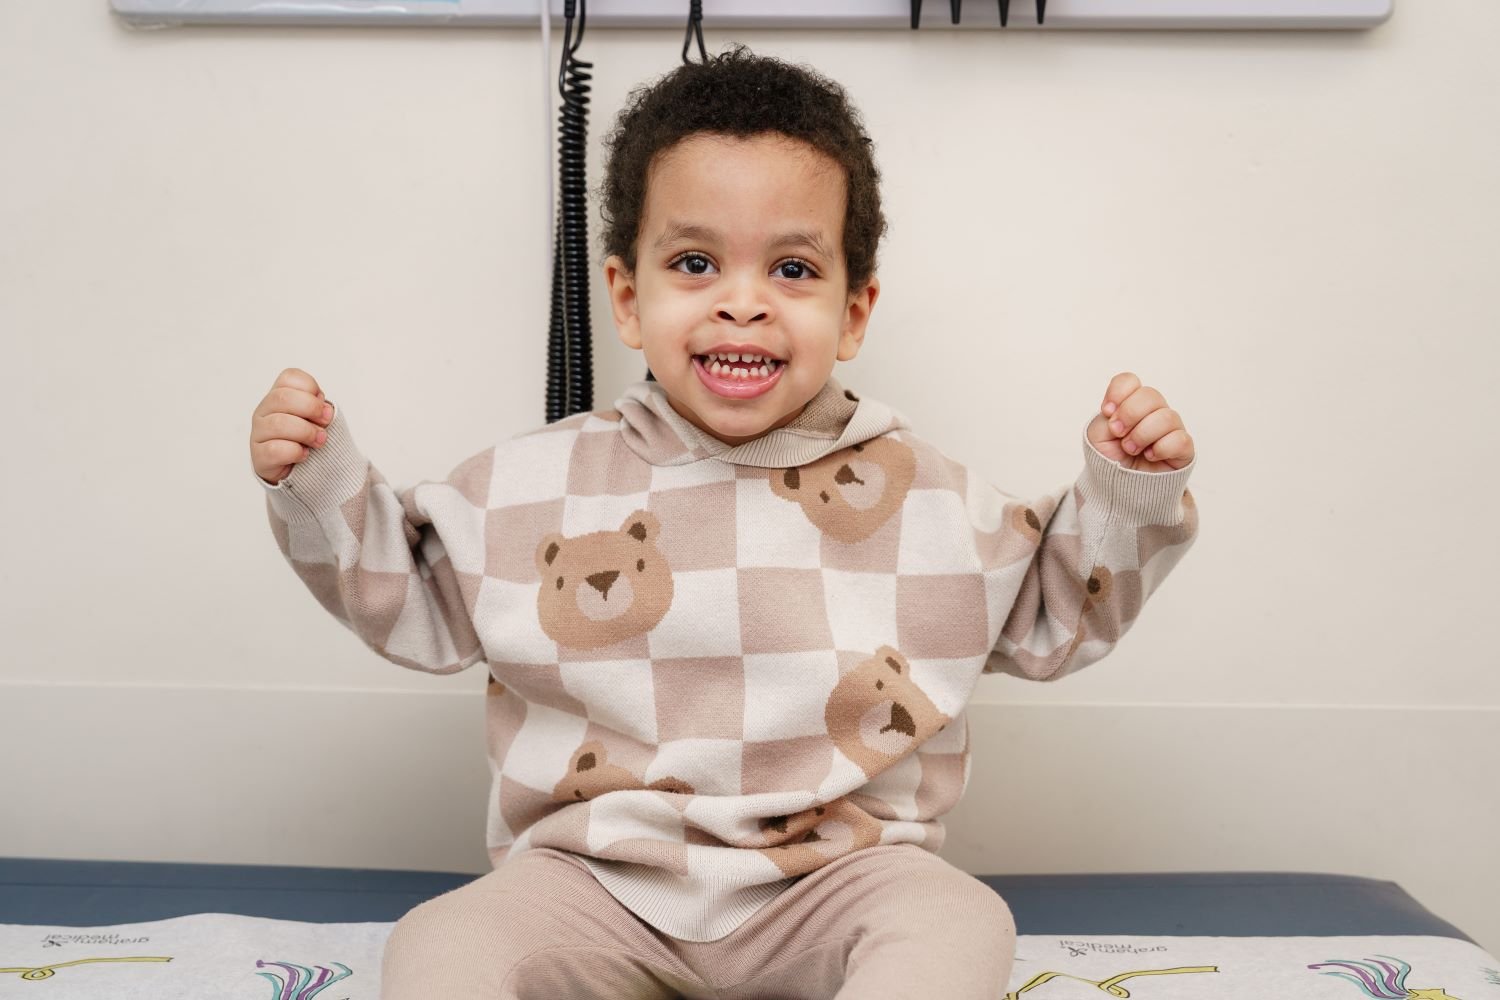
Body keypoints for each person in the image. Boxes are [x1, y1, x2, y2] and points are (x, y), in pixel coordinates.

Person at [247, 44, 1198, 1000]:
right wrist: (321, 478)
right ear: (627, 296)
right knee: (442, 942)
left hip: (835, 878)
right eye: (696, 263)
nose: (742, 302)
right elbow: (408, 597)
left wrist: (1124, 490)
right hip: (593, 882)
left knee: (957, 917)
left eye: (791, 268)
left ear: (854, 311)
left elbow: (1051, 616)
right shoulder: (529, 484)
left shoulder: (932, 498)